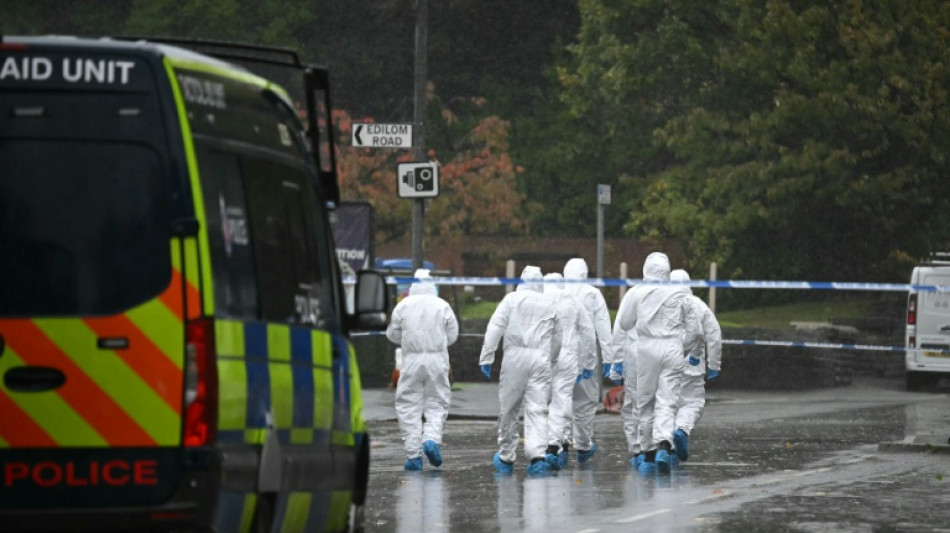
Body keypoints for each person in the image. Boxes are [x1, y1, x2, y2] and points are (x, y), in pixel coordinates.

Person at [479, 266, 559, 475]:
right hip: (540, 358)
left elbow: (495, 326)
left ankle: (506, 455)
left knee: (509, 406)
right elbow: (557, 337)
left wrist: (487, 356)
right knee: (537, 408)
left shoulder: (511, 300)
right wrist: (552, 359)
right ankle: (537, 456)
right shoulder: (550, 304)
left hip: (514, 357)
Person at [618, 252, 690, 475]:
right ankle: (664, 445)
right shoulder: (679, 293)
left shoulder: (636, 292)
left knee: (645, 400)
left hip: (647, 348)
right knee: (667, 400)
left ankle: (647, 454)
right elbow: (691, 324)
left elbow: (625, 322)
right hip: (672, 348)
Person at [386, 269, 460, 471]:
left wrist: (408, 341)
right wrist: (438, 343)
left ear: (413, 285)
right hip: (437, 360)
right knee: (437, 402)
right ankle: (431, 440)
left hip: (411, 360)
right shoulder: (442, 305)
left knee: (408, 405)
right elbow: (453, 335)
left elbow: (392, 335)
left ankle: (413, 456)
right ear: (432, 285)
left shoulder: (403, 305)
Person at [563, 258, 617, 464]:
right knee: (585, 401)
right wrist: (609, 359)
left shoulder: (557, 291)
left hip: (560, 352)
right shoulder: (593, 294)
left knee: (559, 399)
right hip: (586, 352)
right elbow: (603, 327)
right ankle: (583, 445)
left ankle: (559, 443)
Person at [543, 272, 596, 468]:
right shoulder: (572, 300)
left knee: (543, 402)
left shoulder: (538, 299)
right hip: (568, 356)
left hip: (543, 355)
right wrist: (587, 363)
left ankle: (556, 444)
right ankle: (556, 444)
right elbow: (587, 332)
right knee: (562, 400)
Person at [669, 269, 722, 462]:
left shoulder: (662, 305)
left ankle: (666, 448)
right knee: (693, 403)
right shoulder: (698, 305)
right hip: (692, 365)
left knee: (667, 406)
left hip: (665, 364)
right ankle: (682, 430)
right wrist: (714, 364)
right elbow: (713, 334)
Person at [611, 288, 641, 468]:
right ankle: (664, 446)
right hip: (670, 354)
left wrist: (616, 361)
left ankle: (639, 450)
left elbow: (621, 327)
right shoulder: (673, 294)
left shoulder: (634, 294)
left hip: (636, 353)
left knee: (633, 403)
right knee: (663, 403)